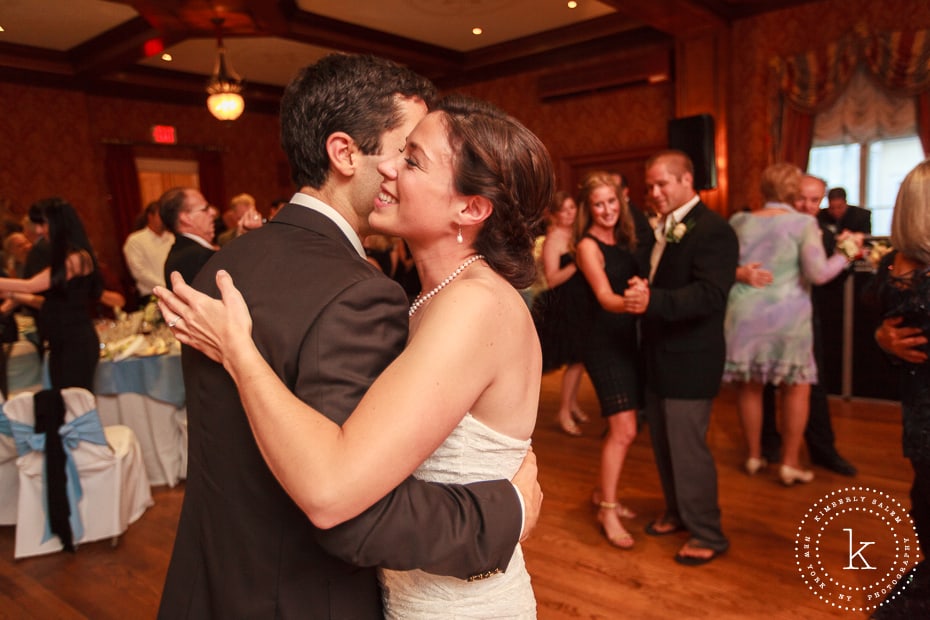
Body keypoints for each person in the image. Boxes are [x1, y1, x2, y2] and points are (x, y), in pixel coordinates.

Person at [154, 56, 540, 619]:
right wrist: (504, 512)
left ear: (471, 206)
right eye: (402, 151)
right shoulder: (368, 294)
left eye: (414, 160)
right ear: (343, 152)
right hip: (305, 596)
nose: (394, 174)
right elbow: (341, 499)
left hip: (216, 584)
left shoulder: (229, 261)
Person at [630, 149, 737, 566]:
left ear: (687, 181)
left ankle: (708, 532)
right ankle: (677, 512)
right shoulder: (666, 228)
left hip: (691, 360)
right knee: (664, 446)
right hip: (658, 355)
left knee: (688, 450)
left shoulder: (713, 230)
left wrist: (651, 300)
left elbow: (710, 295)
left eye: (662, 184)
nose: (654, 193)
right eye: (650, 186)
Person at [723, 164, 858, 486]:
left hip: (743, 313)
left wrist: (741, 273)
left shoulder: (739, 221)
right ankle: (790, 462)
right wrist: (845, 254)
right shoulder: (802, 224)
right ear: (792, 192)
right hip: (787, 315)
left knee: (750, 386)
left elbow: (723, 264)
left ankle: (755, 456)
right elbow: (818, 274)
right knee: (796, 387)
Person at [760, 174, 858, 476]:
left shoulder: (825, 234)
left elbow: (829, 281)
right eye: (801, 198)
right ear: (790, 196)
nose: (807, 205)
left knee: (813, 385)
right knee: (763, 382)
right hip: (769, 313)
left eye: (814, 200)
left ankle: (822, 449)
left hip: (807, 315)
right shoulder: (771, 229)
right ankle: (768, 444)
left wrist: (848, 256)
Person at [868, 160, 930, 618]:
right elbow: (890, 333)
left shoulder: (896, 269)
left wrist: (882, 339)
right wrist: (881, 339)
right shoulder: (904, 272)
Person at [573, 172, 648, 549]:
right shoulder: (587, 245)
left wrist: (641, 289)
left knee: (621, 428)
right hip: (603, 342)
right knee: (624, 431)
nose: (607, 210)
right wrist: (636, 303)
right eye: (599, 204)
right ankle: (607, 508)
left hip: (627, 339)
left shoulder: (624, 237)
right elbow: (604, 297)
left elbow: (633, 279)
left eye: (612, 202)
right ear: (589, 208)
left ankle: (603, 492)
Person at [0, 197, 102, 390]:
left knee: (76, 403)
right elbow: (48, 301)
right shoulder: (64, 256)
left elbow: (31, 286)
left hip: (76, 343)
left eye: (43, 224)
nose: (39, 231)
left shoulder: (77, 258)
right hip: (60, 341)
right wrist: (12, 295)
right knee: (64, 401)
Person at [532, 190, 589, 436]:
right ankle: (564, 411)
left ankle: (572, 405)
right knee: (574, 359)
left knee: (580, 359)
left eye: (572, 208)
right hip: (562, 305)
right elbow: (552, 279)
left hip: (577, 302)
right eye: (564, 210)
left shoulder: (575, 233)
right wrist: (578, 264)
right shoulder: (553, 238)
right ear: (554, 215)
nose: (570, 213)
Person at [159, 187, 216, 290]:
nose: (212, 212)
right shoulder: (200, 256)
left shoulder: (179, 253)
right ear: (186, 218)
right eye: (205, 209)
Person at [122, 200, 174, 306]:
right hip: (151, 295)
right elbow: (139, 271)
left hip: (174, 292)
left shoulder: (172, 238)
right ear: (150, 216)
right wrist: (164, 285)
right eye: (161, 216)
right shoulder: (136, 240)